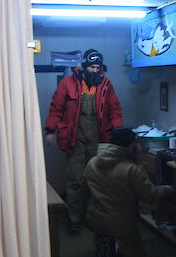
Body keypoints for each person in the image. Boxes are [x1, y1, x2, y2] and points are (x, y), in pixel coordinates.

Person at [45, 49, 123, 230]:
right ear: (83, 67)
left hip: (99, 139)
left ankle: (94, 217)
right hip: (75, 139)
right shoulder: (67, 83)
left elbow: (115, 111)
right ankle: (74, 219)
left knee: (97, 179)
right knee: (75, 180)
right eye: (92, 67)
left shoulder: (106, 84)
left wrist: (119, 135)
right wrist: (50, 130)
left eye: (98, 67)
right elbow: (56, 108)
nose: (95, 71)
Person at [85, 127, 174, 257]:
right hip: (121, 225)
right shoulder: (132, 169)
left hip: (94, 219)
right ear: (132, 145)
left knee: (106, 236)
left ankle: (105, 246)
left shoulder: (92, 162)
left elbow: (85, 189)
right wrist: (167, 189)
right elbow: (149, 196)